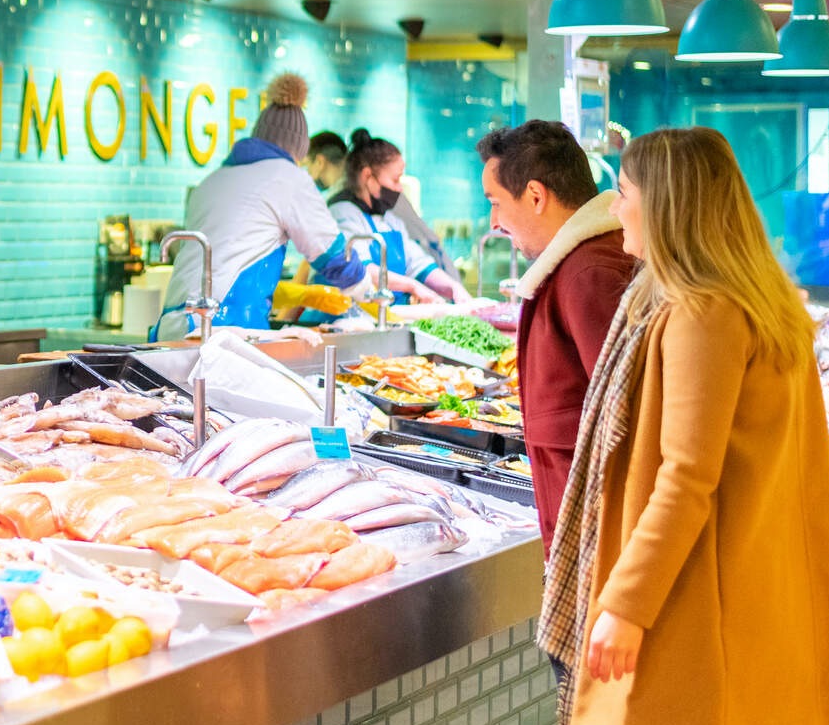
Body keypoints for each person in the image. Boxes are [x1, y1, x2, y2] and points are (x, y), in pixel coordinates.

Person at [538, 127, 829, 725]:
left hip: (700, 596)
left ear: (665, 204)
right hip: (752, 583)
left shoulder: (700, 312)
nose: (614, 207)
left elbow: (686, 478)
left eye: (624, 192)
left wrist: (627, 604)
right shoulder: (756, 300)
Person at [476, 120, 633, 554]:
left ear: (535, 195)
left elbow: (625, 416)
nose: (494, 221)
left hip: (601, 533)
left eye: (495, 202)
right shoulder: (578, 261)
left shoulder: (590, 271)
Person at [155, 75, 370, 339]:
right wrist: (366, 289)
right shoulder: (288, 177)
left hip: (171, 328)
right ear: (299, 150)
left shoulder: (212, 180)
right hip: (223, 328)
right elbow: (333, 255)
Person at [328, 128, 471, 305]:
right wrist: (412, 286)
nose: (399, 188)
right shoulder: (342, 213)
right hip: (345, 318)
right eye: (395, 180)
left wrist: (453, 287)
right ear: (368, 176)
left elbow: (418, 264)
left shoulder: (390, 219)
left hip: (387, 317)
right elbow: (362, 270)